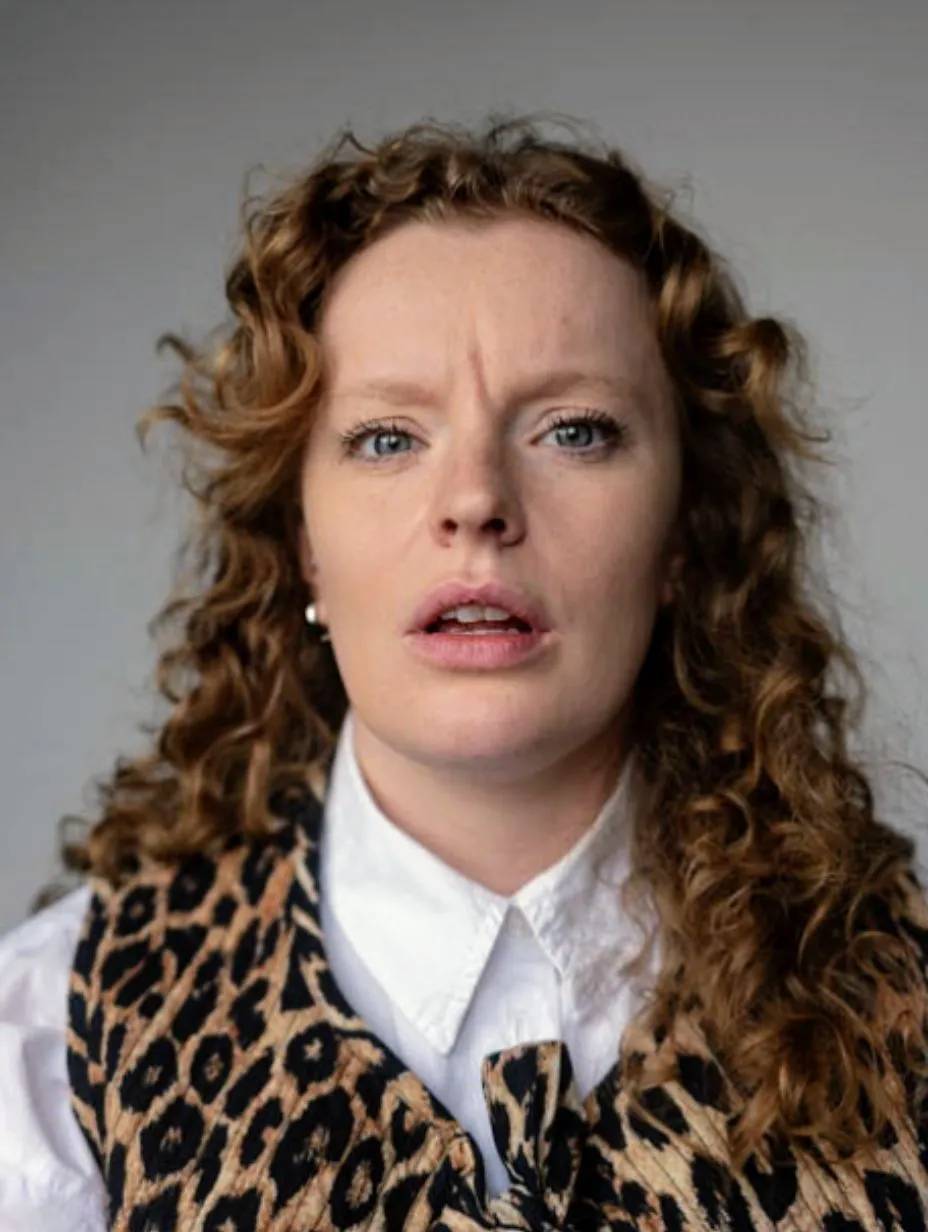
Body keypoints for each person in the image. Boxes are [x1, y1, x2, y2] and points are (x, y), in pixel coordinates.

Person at [1, 113, 927, 1232]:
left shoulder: (900, 1005)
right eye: (389, 437)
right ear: (302, 541)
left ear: (684, 530)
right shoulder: (55, 1044)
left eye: (574, 429)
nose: (476, 499)